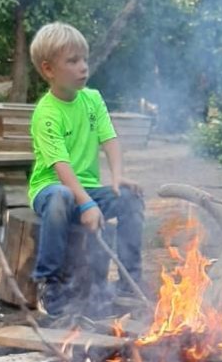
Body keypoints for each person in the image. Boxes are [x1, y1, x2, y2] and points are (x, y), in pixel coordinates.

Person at [28, 22, 144, 318]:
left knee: (131, 199)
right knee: (60, 198)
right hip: (50, 187)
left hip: (88, 188)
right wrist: (87, 203)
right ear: (49, 70)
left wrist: (117, 177)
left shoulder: (92, 99)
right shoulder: (47, 112)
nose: (83, 67)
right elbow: (61, 167)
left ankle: (129, 281)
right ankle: (48, 282)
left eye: (84, 59)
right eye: (72, 61)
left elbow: (110, 139)